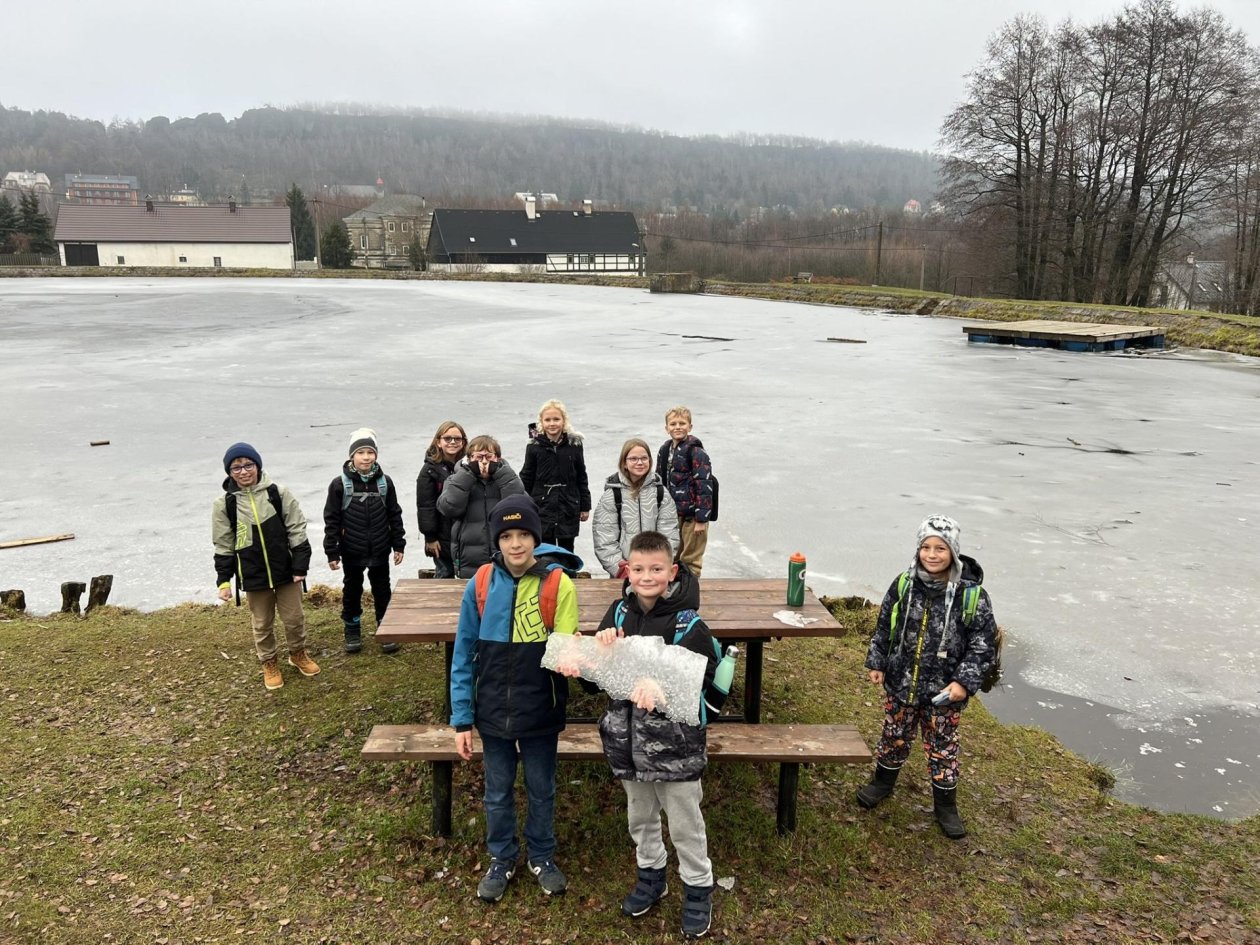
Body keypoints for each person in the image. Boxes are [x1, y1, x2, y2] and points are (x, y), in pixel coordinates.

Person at [564, 530, 728, 939]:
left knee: (684, 822)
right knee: (640, 817)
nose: (647, 576)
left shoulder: (690, 624)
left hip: (676, 747)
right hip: (628, 743)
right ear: (628, 571)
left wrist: (663, 689)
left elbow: (700, 680)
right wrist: (588, 660)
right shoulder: (618, 614)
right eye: (638, 569)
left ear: (672, 572)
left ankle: (697, 889)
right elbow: (598, 682)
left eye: (656, 569)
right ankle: (652, 876)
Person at [449, 495, 582, 903]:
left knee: (542, 787)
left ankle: (542, 855)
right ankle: (501, 857)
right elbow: (463, 652)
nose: (516, 543)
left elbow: (565, 651)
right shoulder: (482, 582)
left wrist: (575, 654)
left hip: (541, 706)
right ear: (497, 540)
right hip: (491, 709)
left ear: (536, 538)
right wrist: (461, 718)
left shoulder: (559, 584)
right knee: (497, 790)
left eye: (524, 534)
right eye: (507, 536)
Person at [857, 515, 997, 839]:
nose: (932, 555)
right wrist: (877, 662)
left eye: (940, 548)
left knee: (943, 748)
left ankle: (946, 805)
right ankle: (882, 782)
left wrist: (963, 682)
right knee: (894, 734)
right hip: (901, 683)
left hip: (944, 694)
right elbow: (884, 626)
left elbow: (982, 645)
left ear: (954, 551)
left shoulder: (971, 595)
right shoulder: (904, 583)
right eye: (926, 547)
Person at [212, 442, 317, 691]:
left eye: (248, 465)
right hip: (252, 574)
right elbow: (223, 544)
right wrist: (224, 581)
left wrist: (300, 565)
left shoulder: (278, 493)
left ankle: (297, 654)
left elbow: (297, 529)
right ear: (229, 472)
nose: (243, 471)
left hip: (286, 571)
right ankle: (269, 662)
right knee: (262, 623)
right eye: (236, 468)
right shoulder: (224, 505)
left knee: (294, 618)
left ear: (258, 465)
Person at [323, 427, 406, 655]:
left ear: (376, 455)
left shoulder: (384, 482)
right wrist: (332, 551)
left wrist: (398, 545)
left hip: (380, 547)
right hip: (352, 549)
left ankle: (385, 629)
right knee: (352, 590)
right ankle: (352, 630)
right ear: (352, 456)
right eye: (361, 452)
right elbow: (331, 519)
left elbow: (394, 514)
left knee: (382, 590)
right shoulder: (340, 484)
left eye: (370, 452)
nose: (366, 457)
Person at [437, 435, 526, 578]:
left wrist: (502, 474)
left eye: (489, 457)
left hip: (506, 554)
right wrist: (468, 475)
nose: (484, 462)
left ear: (498, 458)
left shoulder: (508, 479)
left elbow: (521, 506)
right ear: (469, 458)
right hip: (469, 557)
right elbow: (448, 508)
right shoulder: (456, 479)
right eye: (478, 457)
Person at [591, 437, 679, 578]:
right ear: (624, 463)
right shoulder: (613, 495)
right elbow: (604, 538)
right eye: (633, 459)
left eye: (644, 458)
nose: (639, 462)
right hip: (624, 571)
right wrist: (620, 569)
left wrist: (659, 565)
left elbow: (670, 534)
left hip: (655, 570)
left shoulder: (661, 493)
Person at [520, 400, 591, 553]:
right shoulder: (534, 446)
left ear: (564, 421)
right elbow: (527, 476)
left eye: (556, 419)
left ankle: (567, 574)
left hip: (568, 503)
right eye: (548, 420)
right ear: (541, 422)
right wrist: (523, 503)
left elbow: (581, 475)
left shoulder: (574, 445)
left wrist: (585, 506)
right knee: (544, 546)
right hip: (542, 504)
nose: (552, 423)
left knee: (567, 546)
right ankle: (547, 575)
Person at [657, 406, 715, 579]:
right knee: (671, 556)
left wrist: (701, 519)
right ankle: (674, 592)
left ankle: (690, 592)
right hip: (673, 514)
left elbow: (704, 486)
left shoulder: (696, 452)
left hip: (693, 516)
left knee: (690, 559)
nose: (677, 427)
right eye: (673, 423)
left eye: (682, 423)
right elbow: (660, 481)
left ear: (690, 426)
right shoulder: (665, 450)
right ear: (666, 428)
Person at [416, 420, 467, 578]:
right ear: (438, 442)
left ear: (463, 442)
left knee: (468, 576)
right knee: (444, 574)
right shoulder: (429, 470)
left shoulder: (469, 466)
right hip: (440, 535)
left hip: (465, 534)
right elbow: (425, 506)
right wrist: (430, 537)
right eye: (447, 438)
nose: (452, 442)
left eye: (457, 439)